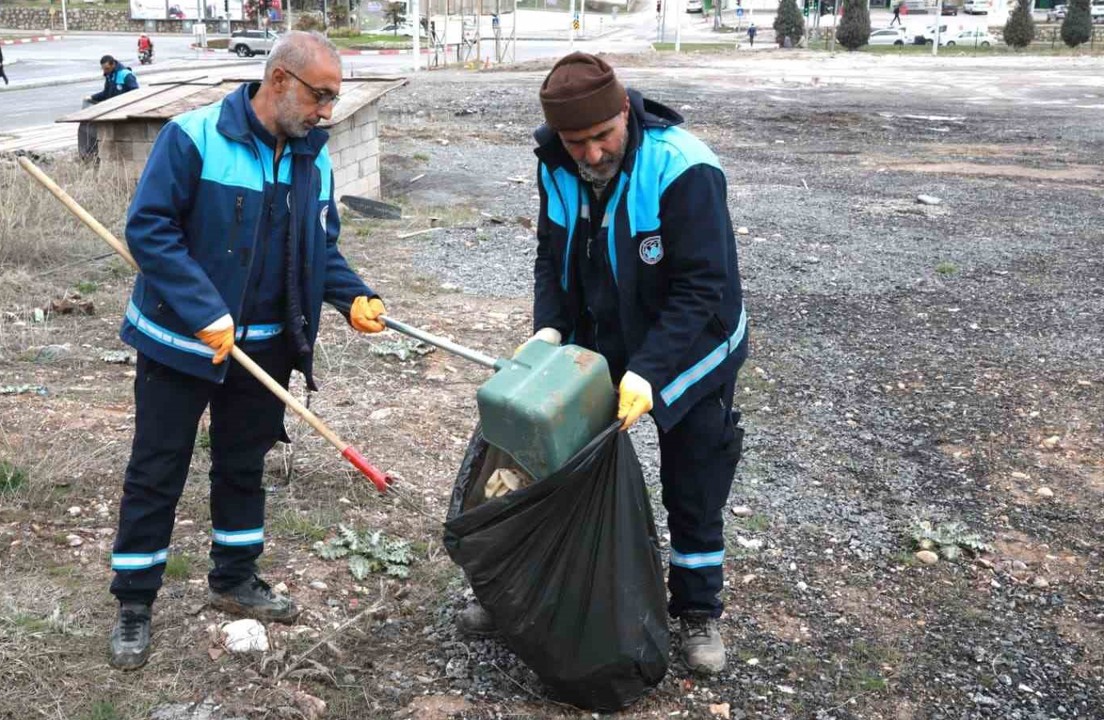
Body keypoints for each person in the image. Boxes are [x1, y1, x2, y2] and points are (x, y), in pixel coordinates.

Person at [456, 53, 747, 677]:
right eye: (575, 142)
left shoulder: (683, 166)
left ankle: (697, 611)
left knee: (694, 477)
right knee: (545, 461)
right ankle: (524, 591)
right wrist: (548, 329)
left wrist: (649, 371)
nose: (590, 155)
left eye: (601, 137)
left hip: (695, 346)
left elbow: (703, 287)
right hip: (598, 340)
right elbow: (550, 254)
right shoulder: (555, 164)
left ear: (625, 112)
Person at [106, 31, 387, 671]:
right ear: (281, 80)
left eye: (333, 100)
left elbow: (320, 248)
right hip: (181, 343)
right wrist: (203, 310)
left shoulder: (313, 160)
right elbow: (150, 229)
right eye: (321, 96)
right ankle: (134, 601)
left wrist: (353, 297)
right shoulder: (195, 137)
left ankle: (235, 575)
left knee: (243, 464)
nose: (326, 112)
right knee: (157, 469)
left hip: (264, 349)